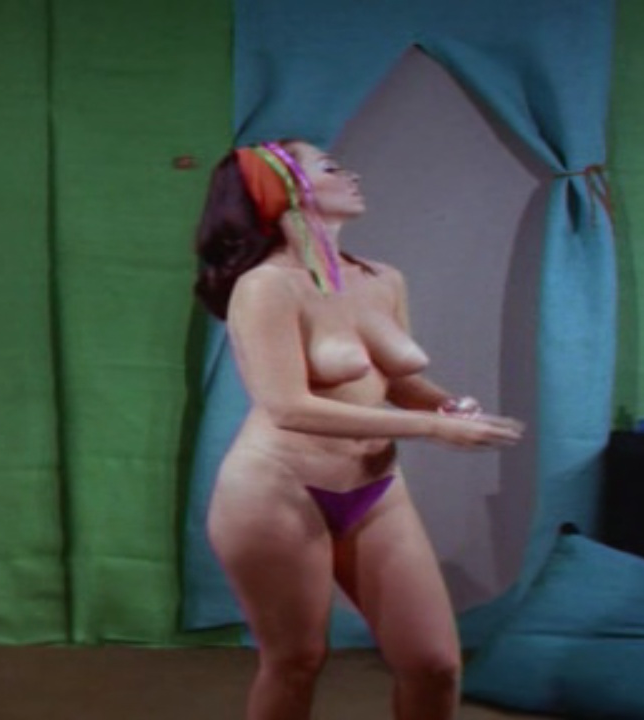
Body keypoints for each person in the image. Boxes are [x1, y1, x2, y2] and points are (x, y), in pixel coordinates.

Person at [192, 139, 525, 720]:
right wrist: (428, 428)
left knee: (434, 664)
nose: (352, 175)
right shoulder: (266, 286)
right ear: (284, 188)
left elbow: (396, 381)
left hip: (375, 489)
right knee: (296, 662)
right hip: (279, 492)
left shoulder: (382, 279)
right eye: (329, 167)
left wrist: (445, 405)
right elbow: (287, 407)